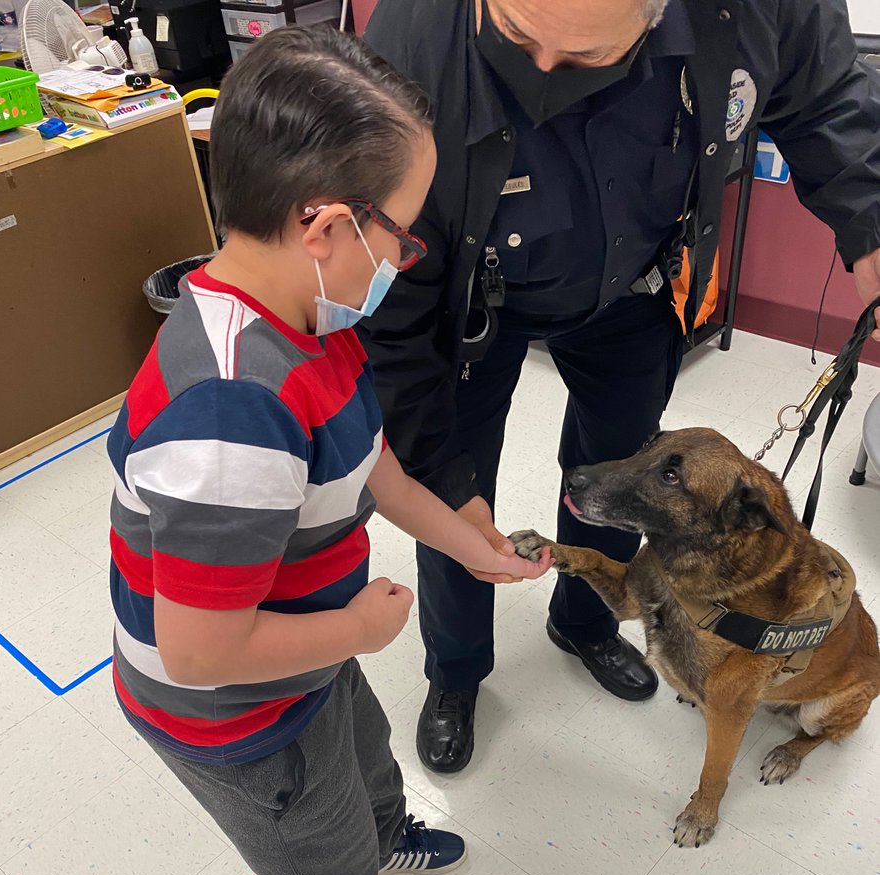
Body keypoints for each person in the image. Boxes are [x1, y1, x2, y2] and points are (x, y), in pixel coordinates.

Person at [106, 27, 548, 875]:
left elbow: (374, 465)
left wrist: (466, 542)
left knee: (364, 751)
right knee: (323, 865)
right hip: (233, 711)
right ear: (325, 225)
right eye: (401, 233)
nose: (407, 257)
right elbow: (200, 648)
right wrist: (353, 629)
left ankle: (386, 827)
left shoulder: (314, 321)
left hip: (301, 647)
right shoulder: (233, 410)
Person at [360, 0, 880, 774]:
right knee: (454, 494)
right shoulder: (414, 36)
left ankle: (588, 620)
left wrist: (871, 226)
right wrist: (436, 480)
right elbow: (389, 310)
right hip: (465, 297)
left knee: (624, 477)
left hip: (638, 283)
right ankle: (458, 672)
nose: (537, 73)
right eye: (515, 31)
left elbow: (829, 97)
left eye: (580, 54)